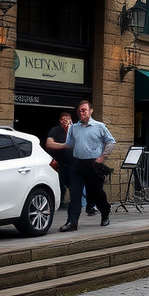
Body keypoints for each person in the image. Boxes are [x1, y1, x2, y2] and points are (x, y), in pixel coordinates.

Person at [60, 99, 116, 231]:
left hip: (93, 165)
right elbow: (69, 144)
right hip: (77, 165)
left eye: (84, 110)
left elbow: (111, 142)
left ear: (90, 111)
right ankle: (72, 222)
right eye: (79, 111)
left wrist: (102, 157)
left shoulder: (99, 126)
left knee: (96, 193)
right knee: (75, 193)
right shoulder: (74, 128)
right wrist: (66, 132)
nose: (81, 113)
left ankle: (105, 211)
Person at [45, 110, 74, 210]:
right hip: (59, 163)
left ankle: (74, 204)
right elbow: (49, 144)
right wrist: (65, 145)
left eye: (67, 119)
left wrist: (68, 130)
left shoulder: (75, 130)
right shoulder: (55, 130)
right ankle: (60, 204)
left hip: (74, 163)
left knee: (74, 185)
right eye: (62, 119)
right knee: (60, 184)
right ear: (59, 121)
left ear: (71, 120)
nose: (65, 121)